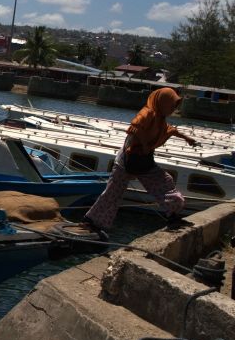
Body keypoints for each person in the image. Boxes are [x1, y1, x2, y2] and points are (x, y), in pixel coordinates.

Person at [83, 87, 196, 234]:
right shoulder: (147, 113)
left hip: (144, 160)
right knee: (113, 193)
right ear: (162, 102)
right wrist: (144, 145)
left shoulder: (160, 119)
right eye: (172, 105)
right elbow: (134, 128)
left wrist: (186, 138)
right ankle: (92, 221)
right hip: (127, 161)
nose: (173, 109)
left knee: (165, 181)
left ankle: (173, 215)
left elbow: (170, 130)